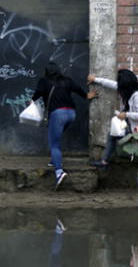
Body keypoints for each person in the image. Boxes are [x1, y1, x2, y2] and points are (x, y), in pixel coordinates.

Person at [87, 69, 138, 197]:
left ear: (125, 84)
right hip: (132, 128)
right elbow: (111, 84)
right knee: (113, 134)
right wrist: (95, 80)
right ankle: (104, 162)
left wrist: (125, 114)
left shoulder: (137, 96)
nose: (118, 87)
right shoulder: (128, 90)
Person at [31, 62, 97, 190]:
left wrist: (32, 100)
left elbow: (38, 93)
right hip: (71, 114)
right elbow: (78, 89)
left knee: (54, 144)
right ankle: (53, 160)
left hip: (57, 114)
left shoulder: (44, 81)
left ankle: (59, 172)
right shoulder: (66, 80)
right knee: (56, 136)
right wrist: (87, 95)